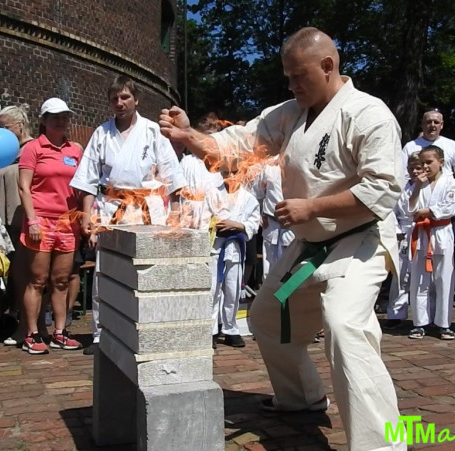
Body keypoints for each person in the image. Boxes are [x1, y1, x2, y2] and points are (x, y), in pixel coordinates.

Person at [159, 27, 404, 450]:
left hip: (358, 244)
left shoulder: (368, 114)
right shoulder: (289, 113)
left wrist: (313, 207)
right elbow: (238, 145)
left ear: (327, 65)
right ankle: (302, 397)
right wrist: (190, 136)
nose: (291, 85)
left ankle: (383, 444)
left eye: (298, 76)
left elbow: (382, 189)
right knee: (270, 315)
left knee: (344, 324)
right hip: (310, 253)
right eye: (287, 77)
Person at [71, 76, 186, 356]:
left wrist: (175, 213)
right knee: (106, 270)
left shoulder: (152, 131)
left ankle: (150, 329)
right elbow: (88, 179)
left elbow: (172, 175)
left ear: (136, 100)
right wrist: (87, 217)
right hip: (112, 209)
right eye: (114, 99)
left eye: (124, 97)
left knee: (148, 270)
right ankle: (101, 333)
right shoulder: (102, 133)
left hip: (147, 210)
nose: (119, 103)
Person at [18, 98, 83, 355]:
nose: (60, 121)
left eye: (64, 117)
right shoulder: (33, 148)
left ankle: (60, 331)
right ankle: (32, 333)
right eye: (54, 117)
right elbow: (24, 186)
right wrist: (32, 220)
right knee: (37, 280)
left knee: (62, 280)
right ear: (43, 120)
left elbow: (82, 187)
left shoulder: (75, 150)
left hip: (67, 221)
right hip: (41, 220)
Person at [405, 146, 455, 340]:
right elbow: (410, 209)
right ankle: (419, 323)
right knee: (419, 280)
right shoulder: (418, 183)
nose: (425, 167)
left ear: (441, 162)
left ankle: (444, 324)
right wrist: (418, 187)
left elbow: (451, 207)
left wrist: (428, 211)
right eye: (423, 163)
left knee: (444, 279)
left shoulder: (450, 181)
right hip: (422, 234)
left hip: (441, 231)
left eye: (429, 162)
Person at [0, 106, 34, 346]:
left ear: (19, 126)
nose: (0, 133)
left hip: (24, 218)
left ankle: (26, 323)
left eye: (5, 127)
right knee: (14, 272)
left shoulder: (31, 149)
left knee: (25, 273)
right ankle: (15, 316)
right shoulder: (5, 150)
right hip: (7, 218)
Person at [213, 161, 260, 348]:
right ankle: (212, 329)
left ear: (242, 174)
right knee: (213, 289)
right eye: (226, 173)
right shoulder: (213, 194)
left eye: (234, 172)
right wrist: (214, 223)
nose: (230, 177)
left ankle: (231, 329)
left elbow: (254, 224)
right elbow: (203, 217)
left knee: (232, 290)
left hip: (236, 246)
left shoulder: (249, 199)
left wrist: (236, 225)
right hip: (215, 246)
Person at [385, 152, 422, 329]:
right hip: (404, 231)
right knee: (400, 275)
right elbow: (391, 211)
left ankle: (424, 315)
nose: (415, 171)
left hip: (423, 230)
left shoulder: (430, 187)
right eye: (411, 168)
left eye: (418, 168)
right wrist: (397, 231)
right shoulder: (401, 187)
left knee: (423, 276)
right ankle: (396, 313)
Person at [402, 109, 455, 197]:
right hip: (418, 195)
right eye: (428, 122)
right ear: (422, 124)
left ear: (441, 125)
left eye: (436, 122)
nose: (432, 125)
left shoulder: (452, 145)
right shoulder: (410, 146)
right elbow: (403, 175)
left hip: (446, 194)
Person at [253, 156, 295, 281]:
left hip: (293, 224)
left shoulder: (298, 162)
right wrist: (258, 214)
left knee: (291, 266)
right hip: (271, 223)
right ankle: (269, 292)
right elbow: (256, 193)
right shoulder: (268, 165)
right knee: (269, 267)